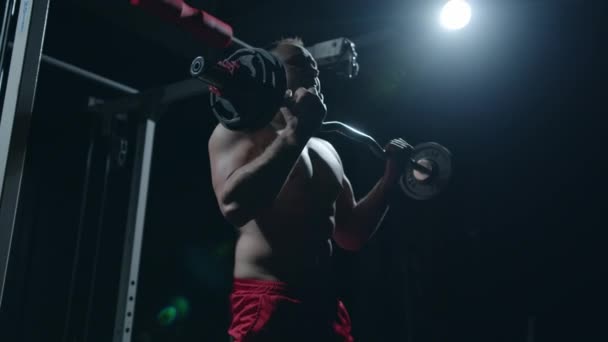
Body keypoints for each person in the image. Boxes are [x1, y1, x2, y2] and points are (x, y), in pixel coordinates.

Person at [208, 37, 410, 341]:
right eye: (300, 63)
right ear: (268, 70)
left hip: (324, 307)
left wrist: (390, 179)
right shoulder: (240, 131)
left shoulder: (326, 148)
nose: (314, 72)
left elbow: (350, 234)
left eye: (315, 68)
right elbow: (234, 207)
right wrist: (297, 132)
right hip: (268, 300)